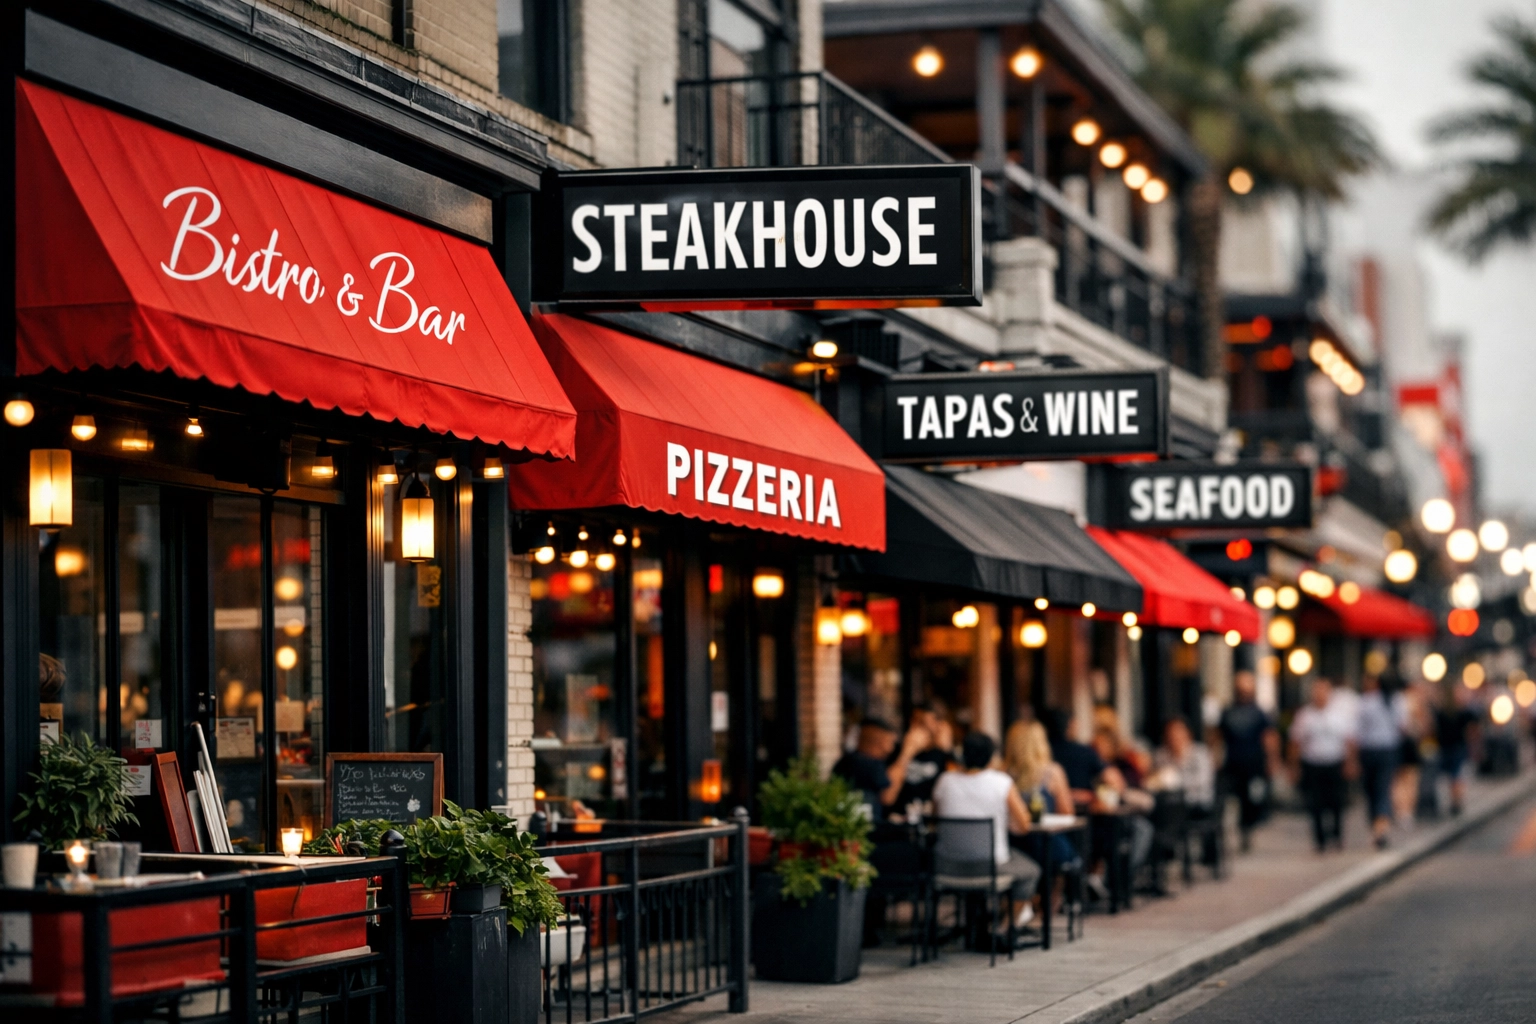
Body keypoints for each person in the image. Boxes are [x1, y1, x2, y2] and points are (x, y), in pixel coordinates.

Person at [932, 732, 1041, 930]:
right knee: (1031, 871)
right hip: (990, 867)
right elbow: (1023, 825)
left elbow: (935, 819)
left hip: (946, 865)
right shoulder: (1001, 782)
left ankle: (977, 923)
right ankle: (1007, 926)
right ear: (992, 756)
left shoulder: (944, 781)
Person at [1004, 720, 1080, 869]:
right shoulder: (1052, 773)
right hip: (1045, 844)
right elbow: (1066, 812)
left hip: (1013, 843)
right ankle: (1054, 892)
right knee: (1066, 856)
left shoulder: (1002, 773)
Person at [1290, 678, 1355, 852]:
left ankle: (1337, 835)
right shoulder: (1305, 715)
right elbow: (1296, 742)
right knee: (1315, 803)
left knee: (1336, 802)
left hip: (1334, 762)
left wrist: (1350, 762)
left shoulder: (1339, 715)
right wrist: (1294, 767)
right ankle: (1319, 839)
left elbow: (1349, 740)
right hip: (1313, 763)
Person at [1219, 671, 1278, 851]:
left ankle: (1248, 829)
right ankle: (1236, 828)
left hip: (1254, 763)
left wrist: (1272, 760)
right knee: (1232, 799)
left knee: (1252, 799)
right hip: (1233, 762)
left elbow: (1269, 737)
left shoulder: (1258, 712)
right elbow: (1218, 736)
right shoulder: (1228, 711)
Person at [832, 716, 928, 818]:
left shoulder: (848, 761)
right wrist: (907, 753)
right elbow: (888, 797)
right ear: (877, 741)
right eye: (889, 742)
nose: (891, 749)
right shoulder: (864, 763)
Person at [1355, 674, 1405, 848]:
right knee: (1383, 788)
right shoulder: (1398, 701)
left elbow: (1358, 730)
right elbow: (1402, 727)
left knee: (1372, 790)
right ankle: (1381, 827)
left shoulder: (1366, 702)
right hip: (1388, 750)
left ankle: (1378, 827)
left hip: (1369, 750)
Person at [894, 702, 955, 812]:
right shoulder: (898, 750)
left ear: (938, 726)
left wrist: (948, 749)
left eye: (923, 723)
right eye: (914, 722)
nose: (917, 728)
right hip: (900, 815)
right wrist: (906, 754)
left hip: (930, 818)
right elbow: (887, 796)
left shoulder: (942, 755)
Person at [1153, 718, 1216, 811]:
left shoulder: (1200, 753)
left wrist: (1175, 781)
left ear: (1187, 733)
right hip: (1170, 803)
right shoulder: (1161, 755)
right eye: (1170, 732)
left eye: (1178, 731)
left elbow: (1203, 779)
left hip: (1197, 801)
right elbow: (1157, 779)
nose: (1174, 736)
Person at [1435, 685, 1480, 816]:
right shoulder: (1462, 711)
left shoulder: (1442, 711)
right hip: (1456, 747)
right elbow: (1472, 729)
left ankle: (1456, 801)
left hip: (1449, 747)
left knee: (1454, 776)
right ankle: (1457, 801)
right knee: (1456, 776)